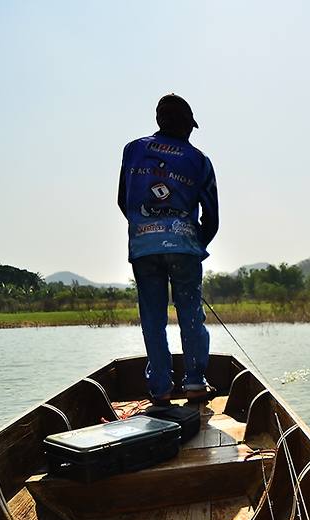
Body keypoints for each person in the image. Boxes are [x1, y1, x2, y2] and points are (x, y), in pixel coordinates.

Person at [118, 94, 219, 405]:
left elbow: (125, 200)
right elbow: (211, 215)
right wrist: (196, 241)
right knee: (190, 313)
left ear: (160, 121)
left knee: (153, 317)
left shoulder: (133, 150)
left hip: (143, 246)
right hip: (184, 247)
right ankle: (195, 383)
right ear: (187, 127)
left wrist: (145, 229)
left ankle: (160, 388)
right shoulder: (199, 160)